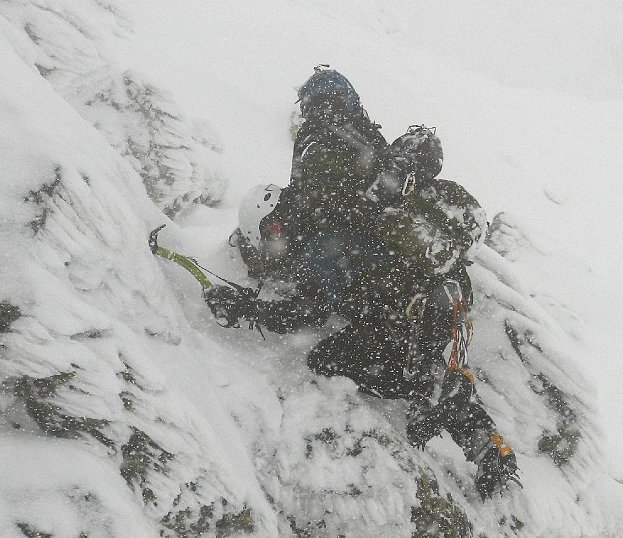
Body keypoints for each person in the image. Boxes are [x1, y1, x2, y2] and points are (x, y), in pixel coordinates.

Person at [209, 68, 520, 498]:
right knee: (427, 364)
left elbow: (308, 312)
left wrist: (248, 309)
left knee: (328, 360)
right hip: (439, 289)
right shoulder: (368, 161)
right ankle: (486, 446)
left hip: (399, 306)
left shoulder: (316, 234)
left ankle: (430, 398)